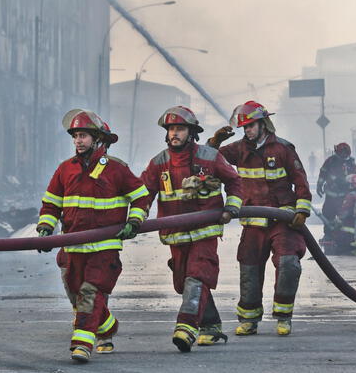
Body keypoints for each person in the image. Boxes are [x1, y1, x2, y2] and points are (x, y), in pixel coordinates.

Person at [37, 109, 149, 362]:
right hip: (73, 247)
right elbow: (51, 204)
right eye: (76, 135)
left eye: (84, 135)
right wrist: (46, 227)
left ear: (98, 140)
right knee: (77, 296)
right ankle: (107, 326)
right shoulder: (65, 169)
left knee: (90, 293)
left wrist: (134, 220)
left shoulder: (116, 169)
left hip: (104, 247)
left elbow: (141, 196)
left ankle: (82, 344)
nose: (78, 140)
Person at [140, 106, 242, 351]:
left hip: (205, 232)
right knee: (184, 282)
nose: (175, 133)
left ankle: (185, 329)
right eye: (171, 129)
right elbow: (144, 194)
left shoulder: (209, 157)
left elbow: (235, 181)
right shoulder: (158, 163)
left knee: (196, 277)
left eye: (180, 129)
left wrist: (232, 207)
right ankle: (211, 325)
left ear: (192, 132)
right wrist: (137, 216)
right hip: (175, 235)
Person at [207, 101, 312, 336]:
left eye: (251, 126)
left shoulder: (283, 149)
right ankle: (249, 319)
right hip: (253, 222)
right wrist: (214, 143)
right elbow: (209, 161)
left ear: (263, 124)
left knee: (288, 265)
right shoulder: (239, 149)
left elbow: (301, 181)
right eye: (244, 128)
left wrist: (302, 211)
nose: (248, 131)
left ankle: (283, 317)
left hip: (283, 221)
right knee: (249, 270)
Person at [316, 143, 356, 240]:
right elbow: (323, 173)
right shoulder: (330, 161)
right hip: (330, 194)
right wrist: (319, 185)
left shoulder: (351, 163)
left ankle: (344, 236)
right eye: (341, 153)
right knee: (328, 214)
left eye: (344, 153)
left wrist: (349, 186)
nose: (342, 155)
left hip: (344, 195)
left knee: (344, 216)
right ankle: (328, 234)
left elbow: (355, 177)